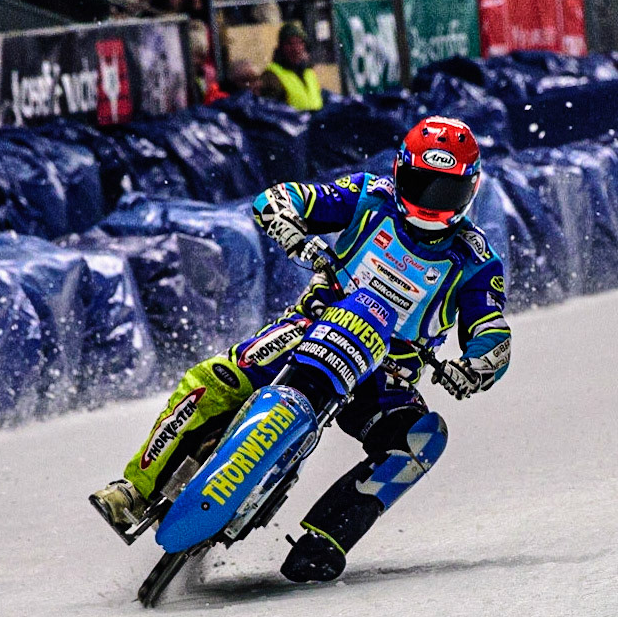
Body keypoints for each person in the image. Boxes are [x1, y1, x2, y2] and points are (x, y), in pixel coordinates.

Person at [91, 117, 511, 583]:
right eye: (421, 184)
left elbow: (492, 332)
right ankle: (136, 490)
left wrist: (475, 367)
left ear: (469, 191)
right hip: (312, 326)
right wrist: (292, 230)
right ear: (399, 172)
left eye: (444, 192)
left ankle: (325, 540)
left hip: (386, 376)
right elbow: (281, 198)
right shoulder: (369, 196)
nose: (430, 201)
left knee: (423, 438)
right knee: (218, 377)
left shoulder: (474, 260)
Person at [258, 20, 322, 111]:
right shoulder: (272, 75)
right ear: (281, 47)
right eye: (290, 44)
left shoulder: (309, 72)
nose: (296, 49)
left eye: (299, 43)